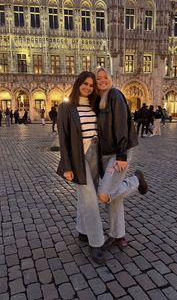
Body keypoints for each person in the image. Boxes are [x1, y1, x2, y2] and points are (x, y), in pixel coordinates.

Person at [95, 67, 148, 250]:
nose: (102, 80)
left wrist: (122, 154)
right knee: (114, 197)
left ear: (110, 79)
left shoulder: (115, 96)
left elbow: (121, 125)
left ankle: (136, 180)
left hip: (119, 151)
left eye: (105, 77)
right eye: (98, 78)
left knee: (104, 194)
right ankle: (118, 235)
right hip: (106, 154)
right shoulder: (99, 100)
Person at [57, 71, 105, 264]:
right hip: (79, 156)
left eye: (91, 85)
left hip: (95, 152)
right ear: (78, 84)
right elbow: (63, 138)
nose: (88, 87)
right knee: (90, 199)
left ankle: (82, 230)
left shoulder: (94, 105)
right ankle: (96, 242)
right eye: (85, 84)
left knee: (85, 196)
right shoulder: (66, 107)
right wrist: (67, 166)